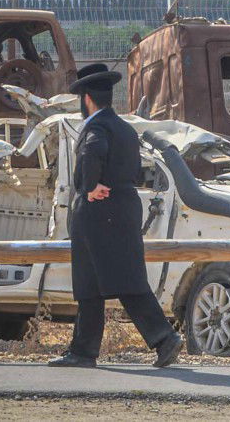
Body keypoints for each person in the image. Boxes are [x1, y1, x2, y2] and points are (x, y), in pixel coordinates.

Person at [48, 63, 183, 369]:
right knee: (91, 283)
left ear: (87, 99)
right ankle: (83, 351)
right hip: (122, 206)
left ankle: (164, 338)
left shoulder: (96, 128)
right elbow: (134, 171)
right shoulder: (124, 127)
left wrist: (89, 183)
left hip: (99, 212)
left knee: (122, 279)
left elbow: (93, 151)